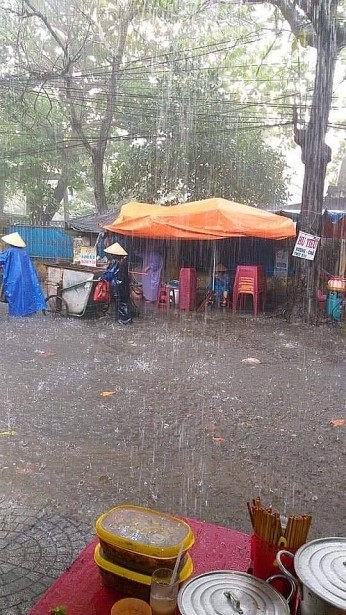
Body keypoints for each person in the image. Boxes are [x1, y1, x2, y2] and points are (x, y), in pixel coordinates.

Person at [0, 232, 46, 317]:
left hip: (14, 277)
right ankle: (26, 311)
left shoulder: (10, 251)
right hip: (26, 278)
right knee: (25, 293)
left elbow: (1, 259)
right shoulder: (24, 253)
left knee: (14, 294)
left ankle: (15, 313)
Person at [102, 241, 132, 325]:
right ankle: (127, 320)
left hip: (118, 287)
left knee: (119, 305)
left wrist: (102, 277)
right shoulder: (124, 261)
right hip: (125, 287)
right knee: (124, 304)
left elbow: (110, 274)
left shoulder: (115, 262)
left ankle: (122, 321)